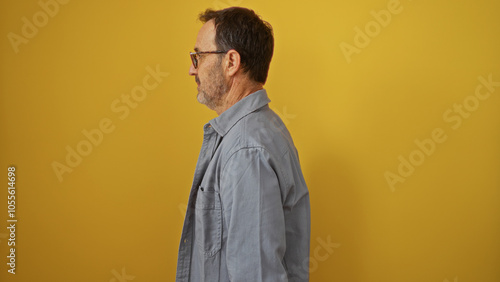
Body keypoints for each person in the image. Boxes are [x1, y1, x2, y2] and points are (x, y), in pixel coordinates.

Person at [176, 7, 310, 282]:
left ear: (231, 61)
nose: (192, 69)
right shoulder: (261, 130)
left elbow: (257, 275)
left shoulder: (246, 150)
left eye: (198, 56)